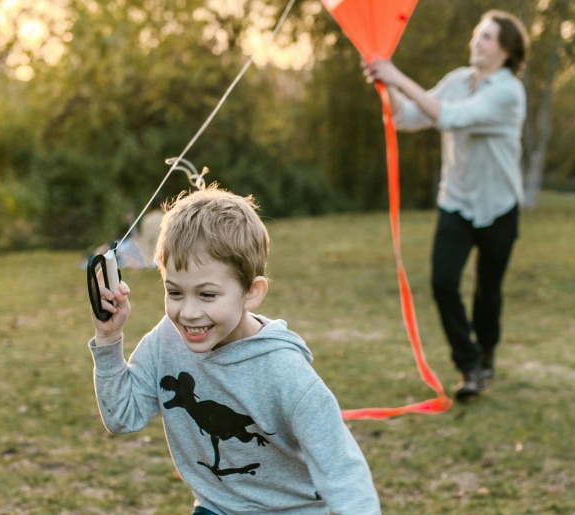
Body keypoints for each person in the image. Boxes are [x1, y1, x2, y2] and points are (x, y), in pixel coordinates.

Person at [87, 185, 381, 514]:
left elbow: (343, 472)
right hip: (218, 508)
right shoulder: (165, 342)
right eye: (175, 292)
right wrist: (109, 339)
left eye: (207, 294)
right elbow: (120, 417)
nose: (189, 312)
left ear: (252, 293)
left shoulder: (287, 375)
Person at [363, 10, 530, 400]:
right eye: (477, 33)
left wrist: (396, 74)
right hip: (456, 202)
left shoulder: (508, 92)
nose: (477, 41)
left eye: (487, 37)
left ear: (505, 50)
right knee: (443, 282)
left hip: (500, 207)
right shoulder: (457, 80)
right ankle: (469, 365)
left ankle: (485, 354)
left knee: (488, 291)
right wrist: (384, 85)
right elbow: (408, 117)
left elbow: (451, 118)